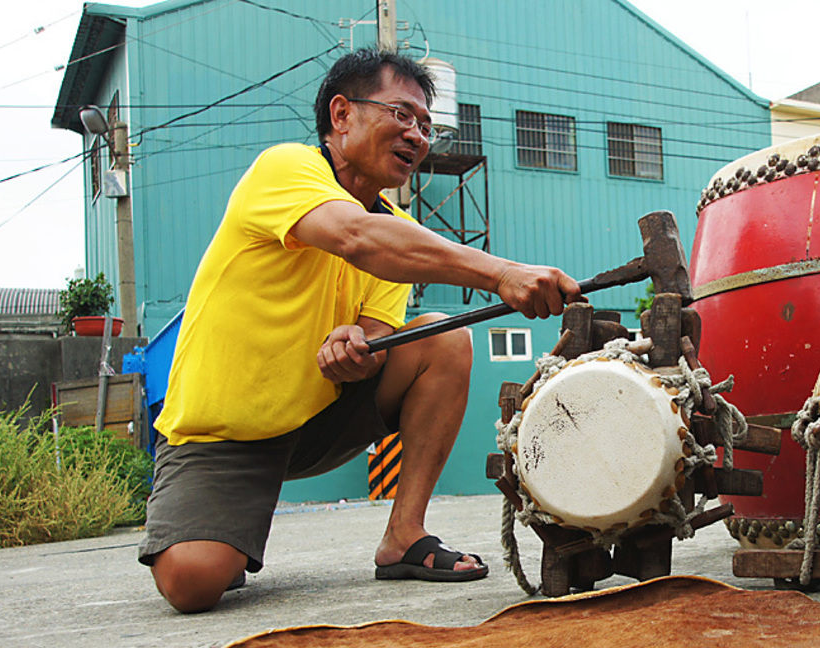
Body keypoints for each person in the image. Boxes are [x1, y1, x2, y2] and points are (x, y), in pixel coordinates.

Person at [138, 49, 580, 613]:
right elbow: (354, 236)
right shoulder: (286, 169)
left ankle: (404, 535)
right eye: (401, 115)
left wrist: (356, 350)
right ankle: (219, 525)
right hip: (224, 434)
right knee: (193, 583)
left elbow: (375, 335)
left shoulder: (403, 235)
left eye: (425, 126)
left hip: (316, 419)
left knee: (442, 336)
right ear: (342, 114)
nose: (417, 136)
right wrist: (502, 273)